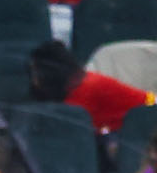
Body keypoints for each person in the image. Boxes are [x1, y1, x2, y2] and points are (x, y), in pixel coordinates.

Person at [28, 40, 156, 135]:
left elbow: (150, 100)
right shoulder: (71, 88)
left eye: (36, 74)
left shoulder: (90, 87)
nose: (34, 81)